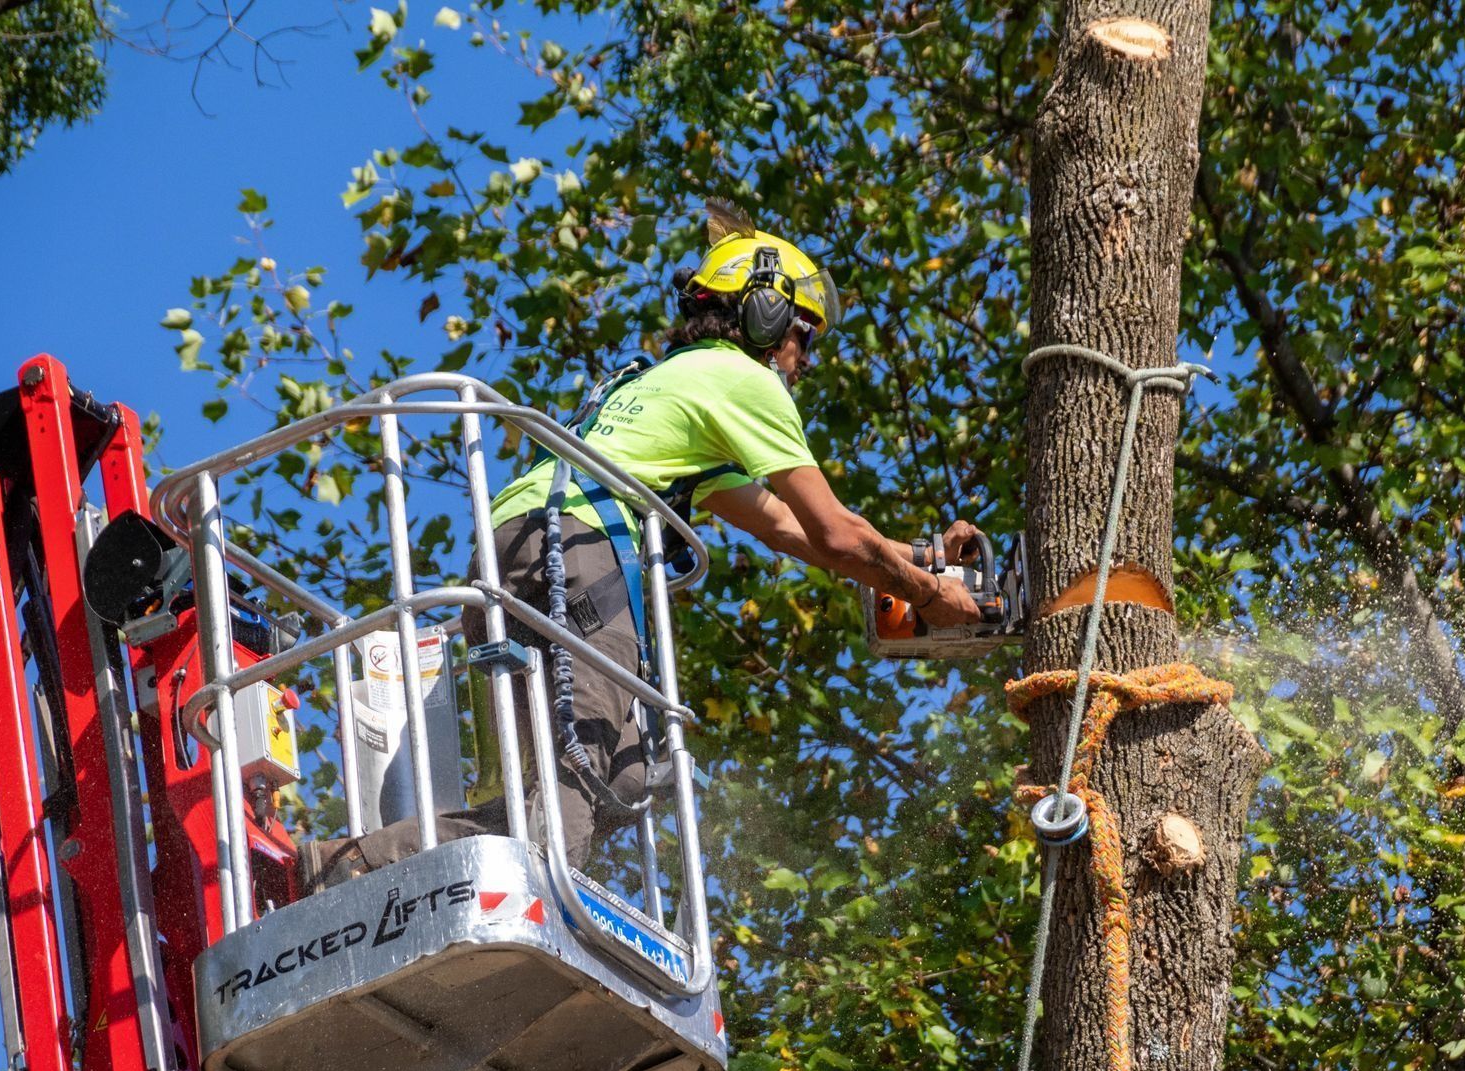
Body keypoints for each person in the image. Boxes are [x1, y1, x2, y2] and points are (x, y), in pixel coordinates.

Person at [304, 216, 984, 890]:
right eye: (803, 335)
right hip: (575, 552)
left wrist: (921, 556)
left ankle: (360, 867)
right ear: (766, 314)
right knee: (576, 789)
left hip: (521, 550)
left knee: (613, 775)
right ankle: (457, 889)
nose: (805, 358)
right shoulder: (744, 383)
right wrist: (929, 596)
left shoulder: (671, 383)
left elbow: (780, 525)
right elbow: (833, 532)